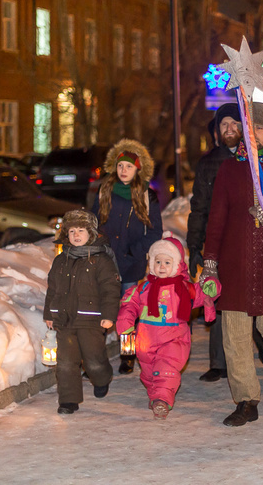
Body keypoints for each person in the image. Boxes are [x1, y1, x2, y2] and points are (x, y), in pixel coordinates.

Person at [201, 102, 263, 427]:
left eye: (262, 127)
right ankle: (246, 399)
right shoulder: (229, 170)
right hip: (236, 269)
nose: (256, 133)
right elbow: (216, 218)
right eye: (252, 127)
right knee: (235, 339)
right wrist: (210, 261)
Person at [116, 235, 220, 419]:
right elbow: (129, 305)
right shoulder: (143, 289)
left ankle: (162, 400)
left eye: (167, 262)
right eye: (158, 262)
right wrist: (126, 321)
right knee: (149, 375)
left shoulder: (184, 288)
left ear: (178, 265)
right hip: (145, 342)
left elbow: (203, 294)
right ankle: (156, 395)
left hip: (174, 339)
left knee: (166, 369)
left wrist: (211, 287)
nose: (162, 266)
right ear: (151, 264)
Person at [91, 139, 163, 374]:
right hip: (105, 262)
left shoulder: (147, 196)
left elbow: (154, 231)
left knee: (128, 313)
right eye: (120, 166)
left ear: (138, 169)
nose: (124, 170)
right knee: (101, 310)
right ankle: (95, 359)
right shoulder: (105, 190)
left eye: (129, 166)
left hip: (131, 265)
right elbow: (92, 222)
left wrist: (135, 251)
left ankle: (128, 355)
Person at [43, 210, 121, 415]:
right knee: (66, 363)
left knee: (93, 359)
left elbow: (110, 290)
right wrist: (49, 314)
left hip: (91, 320)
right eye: (71, 231)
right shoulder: (61, 261)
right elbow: (53, 289)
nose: (76, 235)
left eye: (81, 230)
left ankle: (102, 378)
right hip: (65, 320)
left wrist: (108, 316)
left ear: (91, 234)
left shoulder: (101, 260)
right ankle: (68, 400)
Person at [187, 103, 242, 383]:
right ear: (218, 130)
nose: (230, 129)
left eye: (235, 123)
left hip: (247, 239)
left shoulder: (254, 157)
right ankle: (218, 362)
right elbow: (199, 207)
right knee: (216, 297)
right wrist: (194, 245)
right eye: (224, 124)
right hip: (217, 242)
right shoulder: (208, 162)